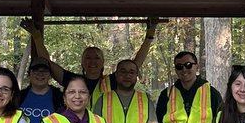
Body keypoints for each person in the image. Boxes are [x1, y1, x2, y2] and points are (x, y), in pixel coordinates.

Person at [20, 17, 159, 107]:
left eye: (97, 58)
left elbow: (135, 65)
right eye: (88, 58)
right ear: (82, 62)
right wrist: (36, 36)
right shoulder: (72, 80)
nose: (92, 62)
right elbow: (47, 63)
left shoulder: (111, 81)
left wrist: (150, 34)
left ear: (103, 63)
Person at [19, 58, 64, 123]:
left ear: (50, 75)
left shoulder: (59, 98)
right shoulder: (19, 97)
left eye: (44, 71)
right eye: (36, 71)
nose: (40, 74)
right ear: (29, 74)